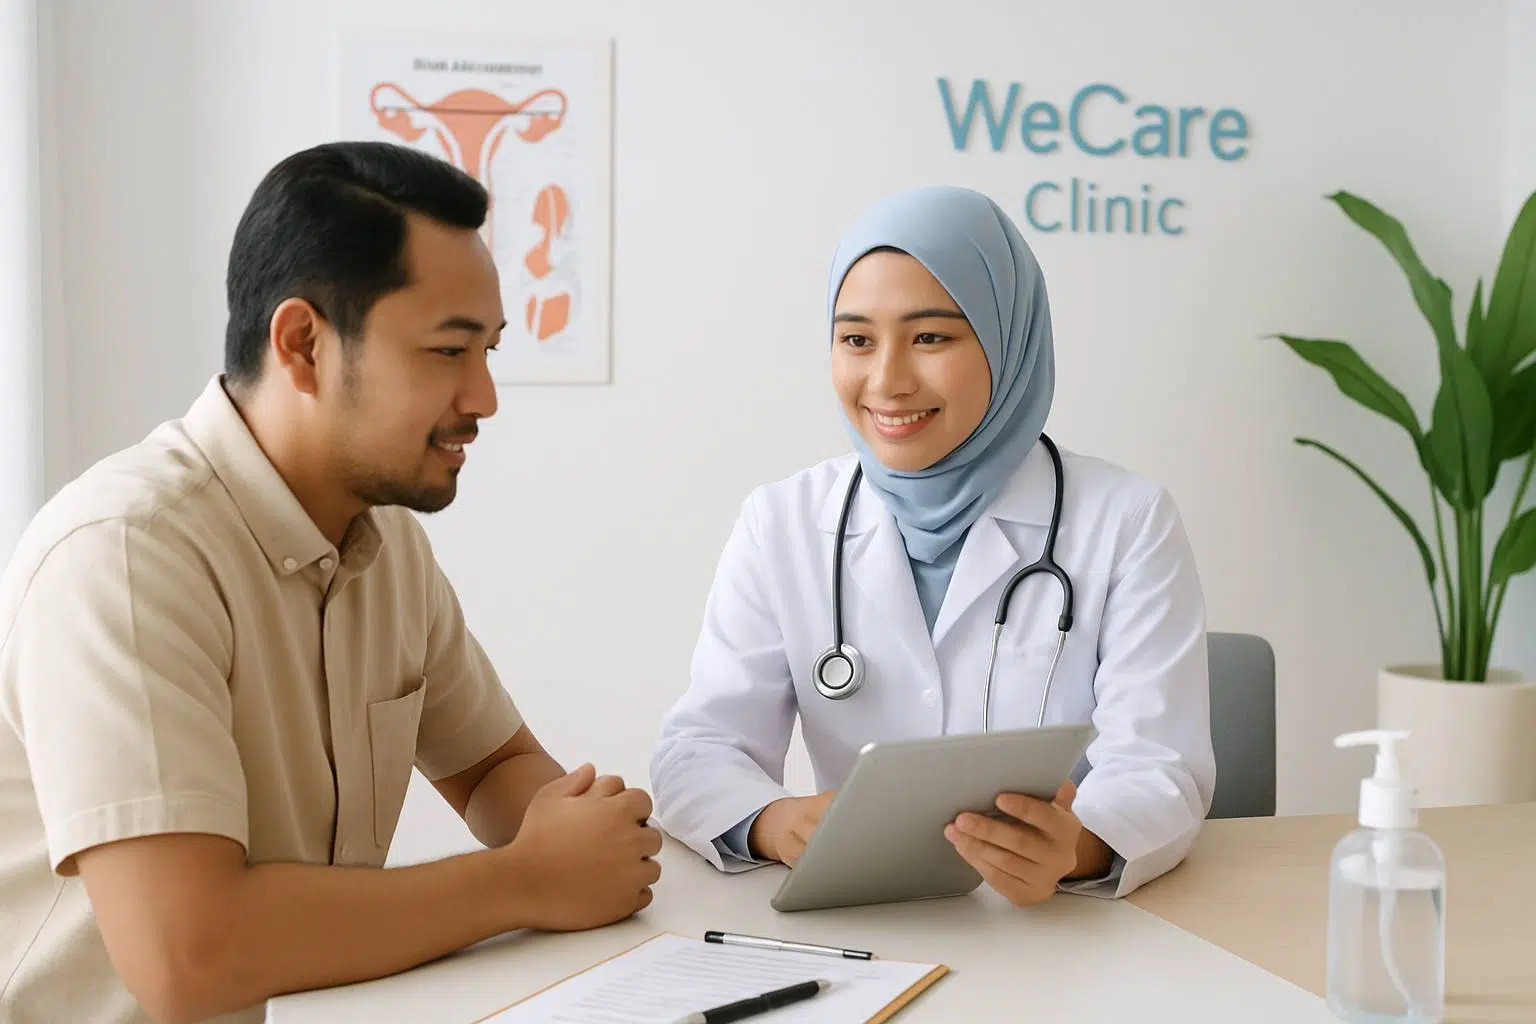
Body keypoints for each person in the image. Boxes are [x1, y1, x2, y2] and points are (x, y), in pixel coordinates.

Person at [0, 141, 660, 1024]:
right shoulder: (123, 554)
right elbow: (188, 955)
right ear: (303, 345)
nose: (485, 396)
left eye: (489, 350)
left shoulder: (384, 539)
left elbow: (492, 767)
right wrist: (528, 878)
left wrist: (585, 836)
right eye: (448, 351)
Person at [650, 185, 1214, 904]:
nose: (886, 381)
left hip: (1056, 930)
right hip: (860, 923)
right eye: (857, 340)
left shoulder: (1126, 519)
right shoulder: (781, 522)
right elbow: (698, 748)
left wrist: (1078, 846)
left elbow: (1161, 767)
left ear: (1008, 342)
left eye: (930, 338)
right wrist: (774, 822)